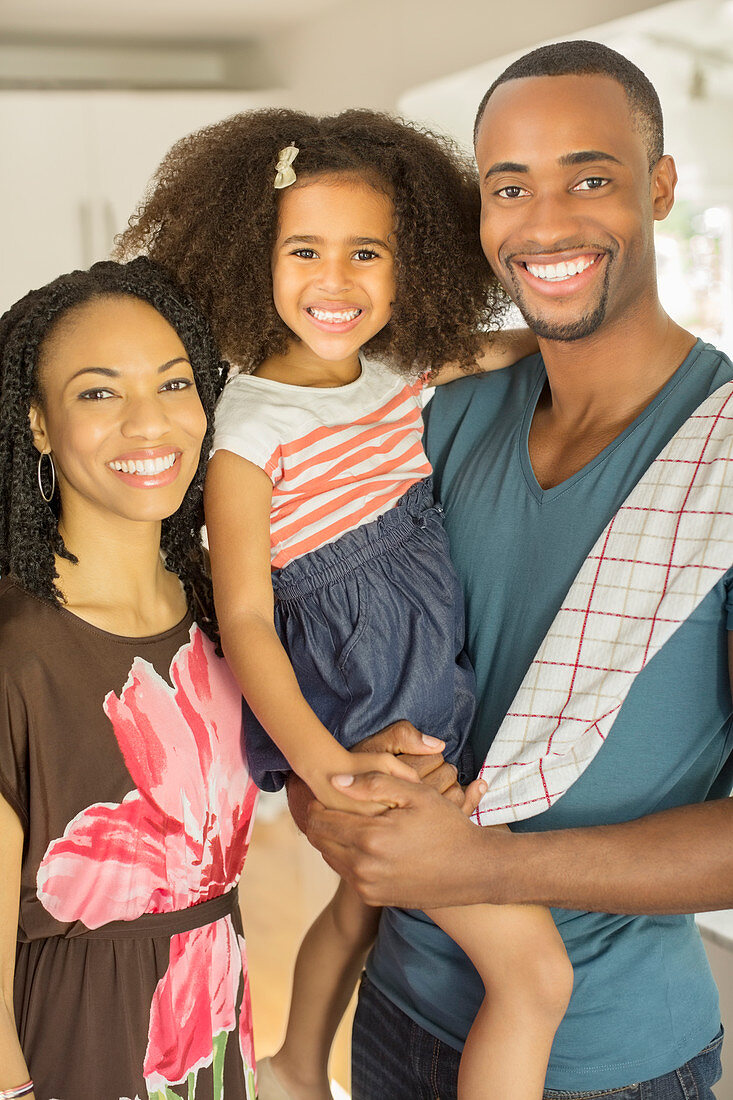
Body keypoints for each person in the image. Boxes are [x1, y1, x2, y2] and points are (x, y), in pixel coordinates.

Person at [291, 40, 733, 1100]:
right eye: (508, 187)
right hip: (394, 1013)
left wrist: (488, 866)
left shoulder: (718, 457)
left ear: (660, 186)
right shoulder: (442, 412)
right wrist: (339, 791)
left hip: (611, 1061)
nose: (544, 224)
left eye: (590, 177)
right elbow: (327, 637)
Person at [116, 109, 573, 1100]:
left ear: (406, 261)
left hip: (429, 685)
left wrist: (581, 332)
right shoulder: (248, 430)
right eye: (305, 250)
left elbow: (490, 354)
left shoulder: (390, 372)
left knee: (360, 913)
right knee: (536, 974)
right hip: (359, 712)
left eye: (366, 251)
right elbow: (245, 619)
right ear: (253, 258)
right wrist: (328, 767)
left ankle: (291, 1061)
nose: (337, 280)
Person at [0, 259, 259, 1100]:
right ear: (37, 424)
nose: (150, 425)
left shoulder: (226, 614)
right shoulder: (15, 651)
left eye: (174, 384)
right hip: (70, 1051)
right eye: (99, 394)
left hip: (216, 1018)